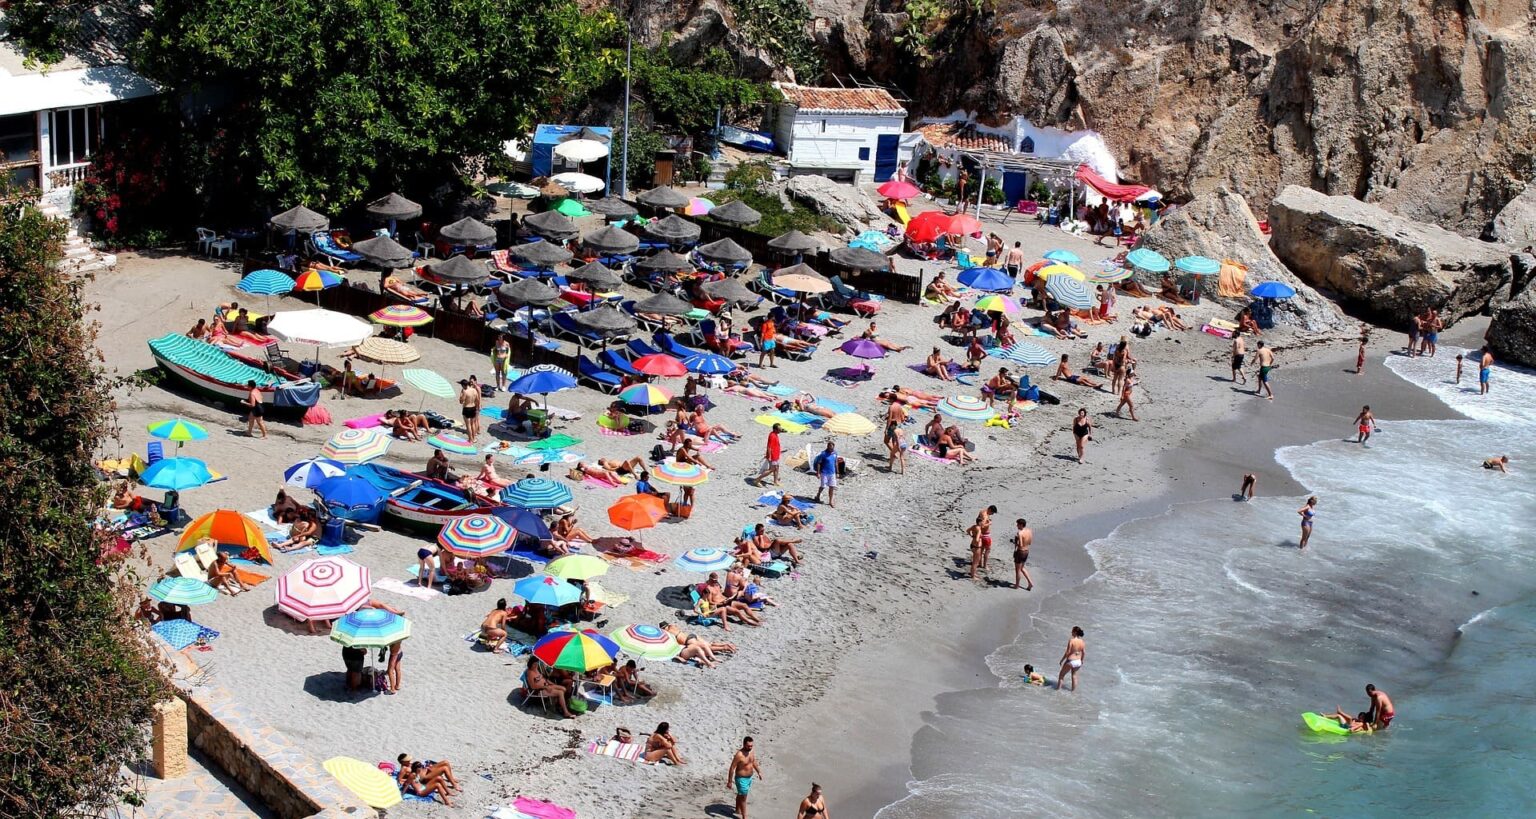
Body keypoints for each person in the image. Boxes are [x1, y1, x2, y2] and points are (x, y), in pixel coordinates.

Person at [728, 736, 763, 819]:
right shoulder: (739, 755)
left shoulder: (751, 751)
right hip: (741, 779)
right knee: (744, 797)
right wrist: (729, 781)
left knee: (741, 794)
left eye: (751, 746)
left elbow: (753, 762)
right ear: (744, 744)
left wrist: (759, 771)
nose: (750, 747)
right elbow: (732, 767)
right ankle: (744, 817)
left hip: (749, 778)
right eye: (748, 746)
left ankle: (737, 810)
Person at [968, 505, 996, 579]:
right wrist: (989, 524)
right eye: (992, 513)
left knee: (978, 555)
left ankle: (979, 566)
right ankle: (983, 566)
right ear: (990, 509)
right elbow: (982, 526)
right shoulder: (984, 515)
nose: (992, 514)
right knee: (987, 550)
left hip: (976, 541)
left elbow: (968, 530)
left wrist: (972, 536)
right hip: (983, 537)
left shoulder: (982, 512)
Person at [752, 423, 783, 488]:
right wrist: (769, 456)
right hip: (773, 456)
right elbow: (769, 447)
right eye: (779, 429)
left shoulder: (775, 434)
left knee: (777, 468)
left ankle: (775, 481)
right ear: (775, 429)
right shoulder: (772, 435)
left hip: (776, 455)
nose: (780, 431)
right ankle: (757, 480)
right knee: (771, 469)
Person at [1056, 626, 1086, 691]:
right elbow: (1084, 652)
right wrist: (1082, 660)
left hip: (1071, 660)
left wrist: (1062, 660)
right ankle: (1073, 692)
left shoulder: (1071, 640)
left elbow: (1068, 652)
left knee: (1061, 675)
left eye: (1072, 631)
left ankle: (1057, 691)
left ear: (1075, 632)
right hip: (1078, 661)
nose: (1071, 632)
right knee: (1074, 676)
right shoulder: (1082, 641)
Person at [811, 442, 839, 508]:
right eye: (829, 447)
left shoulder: (835, 453)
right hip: (824, 472)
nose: (831, 448)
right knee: (823, 486)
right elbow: (819, 463)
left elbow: (836, 463)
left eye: (832, 447)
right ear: (827, 447)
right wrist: (818, 473)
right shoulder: (823, 454)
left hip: (832, 473)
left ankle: (830, 501)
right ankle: (818, 495)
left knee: (832, 487)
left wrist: (837, 472)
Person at [1012, 518, 1034, 591]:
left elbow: (1020, 545)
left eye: (1018, 524)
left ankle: (1017, 585)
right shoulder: (1029, 531)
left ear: (1021, 525)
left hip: (1020, 552)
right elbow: (1030, 542)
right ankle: (1030, 582)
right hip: (1026, 551)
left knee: (1017, 570)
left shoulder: (1020, 533)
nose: (1017, 525)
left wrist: (1014, 542)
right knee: (1022, 568)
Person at [458, 378, 482, 443]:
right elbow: (477, 400)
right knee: (473, 424)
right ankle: (474, 438)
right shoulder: (474, 390)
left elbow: (461, 401)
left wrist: (461, 394)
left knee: (468, 425)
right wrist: (477, 408)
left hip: (467, 408)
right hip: (473, 407)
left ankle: (470, 439)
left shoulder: (465, 391)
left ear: (463, 385)